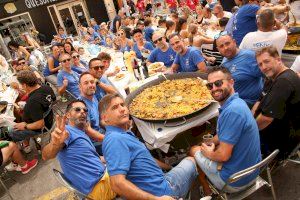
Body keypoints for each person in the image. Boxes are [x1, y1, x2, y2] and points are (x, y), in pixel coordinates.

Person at [100, 93, 198, 199]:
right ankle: (202, 192)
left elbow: (145, 158)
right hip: (163, 191)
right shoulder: (115, 140)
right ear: (105, 118)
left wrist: (170, 167)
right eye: (115, 107)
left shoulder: (122, 133)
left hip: (157, 183)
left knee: (181, 163)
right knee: (193, 158)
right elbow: (117, 184)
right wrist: (156, 199)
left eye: (122, 105)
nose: (122, 109)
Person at [190, 66, 261, 197]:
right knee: (205, 145)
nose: (214, 89)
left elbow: (223, 156)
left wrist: (209, 153)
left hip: (234, 181)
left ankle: (207, 190)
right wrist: (210, 141)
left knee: (194, 150)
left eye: (218, 83)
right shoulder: (238, 102)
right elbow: (225, 134)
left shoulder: (232, 112)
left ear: (231, 82)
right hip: (253, 171)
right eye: (210, 86)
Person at [42, 100, 116, 199]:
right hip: (100, 186)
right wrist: (54, 144)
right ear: (68, 115)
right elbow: (46, 155)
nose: (82, 112)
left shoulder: (81, 133)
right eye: (77, 109)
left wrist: (112, 158)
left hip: (102, 180)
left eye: (85, 110)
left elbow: (97, 158)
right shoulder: (67, 132)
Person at [253, 46, 300, 159]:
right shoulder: (273, 77)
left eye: (266, 61)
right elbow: (260, 100)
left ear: (278, 59)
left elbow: (266, 119)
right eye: (260, 64)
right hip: (276, 131)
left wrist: (248, 131)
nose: (263, 67)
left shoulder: (284, 82)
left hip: (278, 142)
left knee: (231, 141)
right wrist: (251, 117)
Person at [216, 33, 263, 108]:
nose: (225, 48)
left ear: (234, 42)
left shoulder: (249, 56)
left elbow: (269, 76)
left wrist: (260, 101)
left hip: (252, 104)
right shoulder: (224, 62)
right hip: (234, 102)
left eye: (227, 43)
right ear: (218, 49)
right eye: (221, 46)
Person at [9, 70, 56, 142]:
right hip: (50, 118)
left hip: (43, 127)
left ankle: (16, 146)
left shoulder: (33, 102)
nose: (21, 86)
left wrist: (25, 126)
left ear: (24, 85)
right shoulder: (46, 87)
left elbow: (40, 124)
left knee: (10, 132)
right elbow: (53, 100)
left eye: (21, 85)